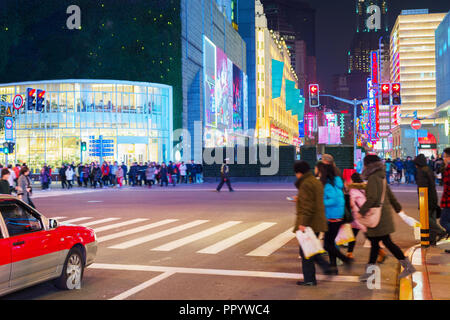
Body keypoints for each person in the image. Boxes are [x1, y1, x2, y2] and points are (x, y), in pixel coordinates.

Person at [358, 155, 416, 281]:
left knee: (385, 243)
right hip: (383, 216)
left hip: (378, 218)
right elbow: (391, 196)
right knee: (376, 244)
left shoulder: (373, 178)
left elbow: (372, 198)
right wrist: (399, 211)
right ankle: (370, 272)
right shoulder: (382, 177)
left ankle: (408, 266)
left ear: (368, 165)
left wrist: (361, 211)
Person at [293, 160, 333, 286]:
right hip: (316, 220)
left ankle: (311, 278)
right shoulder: (314, 181)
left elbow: (308, 206)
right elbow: (312, 200)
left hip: (310, 222)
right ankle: (324, 268)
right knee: (309, 249)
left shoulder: (305, 184)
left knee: (306, 251)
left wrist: (303, 223)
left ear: (299, 173)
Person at [315, 161, 352, 274]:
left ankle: (345, 260)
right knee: (330, 243)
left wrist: (321, 201)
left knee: (327, 244)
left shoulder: (328, 184)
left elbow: (334, 200)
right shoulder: (336, 182)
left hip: (333, 217)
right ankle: (333, 267)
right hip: (336, 215)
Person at [346, 173, 387, 263]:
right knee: (358, 235)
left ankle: (380, 252)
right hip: (366, 214)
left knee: (360, 235)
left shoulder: (353, 190)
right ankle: (349, 253)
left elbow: (352, 204)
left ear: (353, 180)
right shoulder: (365, 188)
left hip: (358, 216)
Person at [414, 154, 447, 245]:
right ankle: (432, 240)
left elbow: (422, 187)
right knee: (431, 217)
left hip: (426, 197)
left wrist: (421, 200)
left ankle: (441, 231)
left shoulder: (421, 171)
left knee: (426, 219)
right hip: (433, 196)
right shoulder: (428, 169)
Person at [440, 148, 450, 254]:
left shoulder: (449, 168)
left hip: (448, 201)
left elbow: (447, 187)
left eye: (445, 156)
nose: (444, 159)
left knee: (443, 221)